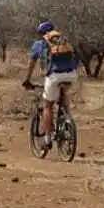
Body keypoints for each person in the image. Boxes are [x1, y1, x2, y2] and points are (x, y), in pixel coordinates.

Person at [21, 21, 78, 149]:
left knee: (48, 105)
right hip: (71, 75)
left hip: (54, 75)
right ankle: (67, 122)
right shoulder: (63, 41)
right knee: (64, 101)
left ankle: (47, 139)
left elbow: (32, 64)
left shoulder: (39, 44)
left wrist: (27, 79)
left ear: (41, 33)